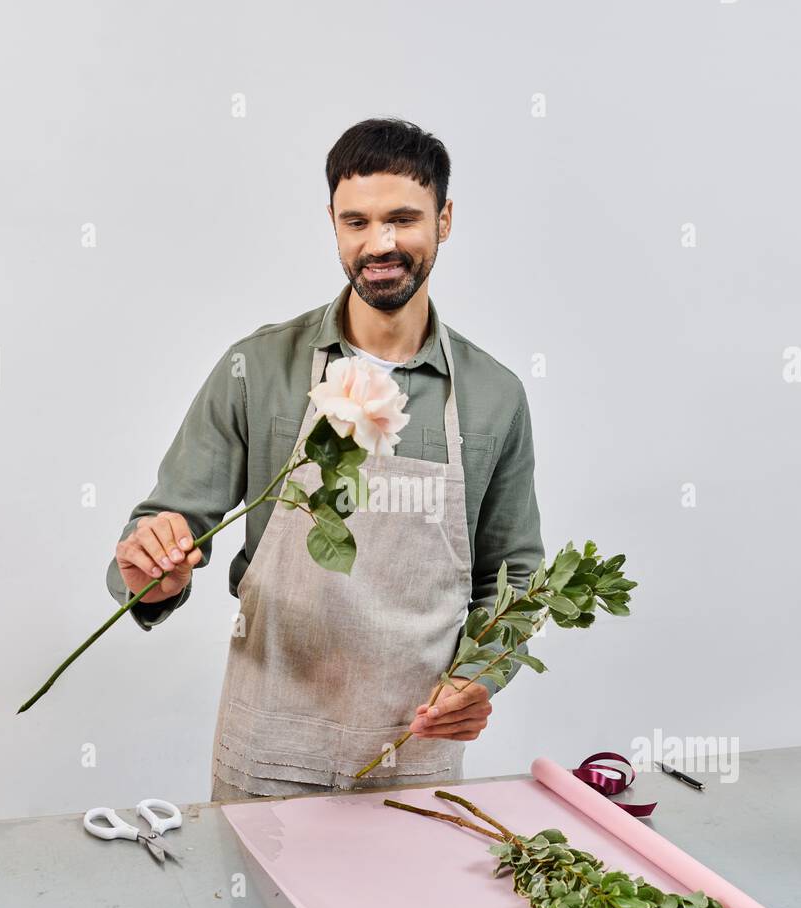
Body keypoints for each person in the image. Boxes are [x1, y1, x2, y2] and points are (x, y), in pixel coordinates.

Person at [106, 117, 545, 801]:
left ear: (445, 220)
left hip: (416, 756)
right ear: (334, 224)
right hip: (269, 753)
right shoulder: (257, 369)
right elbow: (165, 530)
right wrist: (151, 571)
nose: (382, 243)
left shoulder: (494, 397)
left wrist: (480, 675)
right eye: (357, 222)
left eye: (404, 219)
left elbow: (513, 577)